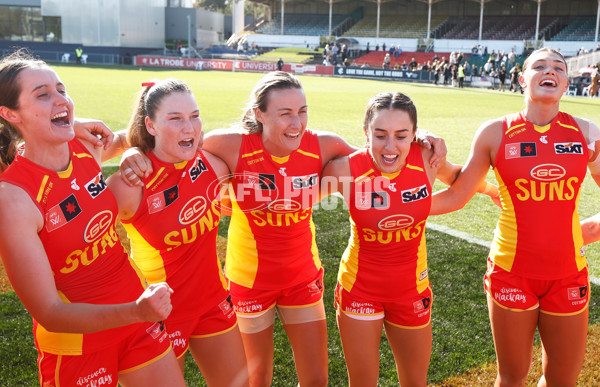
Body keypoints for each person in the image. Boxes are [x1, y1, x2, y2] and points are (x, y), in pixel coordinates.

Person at [120, 71, 447, 386]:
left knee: (317, 379)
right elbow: (171, 147)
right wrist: (133, 150)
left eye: (302, 112)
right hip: (248, 281)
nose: (297, 122)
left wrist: (417, 139)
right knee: (256, 380)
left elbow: (382, 156)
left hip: (301, 279)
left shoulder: (323, 146)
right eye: (285, 113)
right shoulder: (230, 145)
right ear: (259, 114)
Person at [0, 51, 185, 386]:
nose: (61, 100)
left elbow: (134, 139)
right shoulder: (13, 199)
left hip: (137, 319)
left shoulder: (84, 145)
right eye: (43, 95)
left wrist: (130, 153)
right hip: (78, 344)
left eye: (61, 90)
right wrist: (136, 310)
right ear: (10, 113)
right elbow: (50, 312)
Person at [429, 48, 600, 387]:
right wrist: (399, 206)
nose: (549, 71)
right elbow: (460, 193)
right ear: (522, 79)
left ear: (566, 82)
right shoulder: (495, 132)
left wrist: (586, 231)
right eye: (539, 66)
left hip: (568, 276)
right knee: (511, 378)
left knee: (562, 381)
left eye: (558, 68)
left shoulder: (587, 133)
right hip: (511, 273)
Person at [322, 91, 499, 386]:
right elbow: (299, 196)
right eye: (380, 135)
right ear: (365, 134)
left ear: (415, 135)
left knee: (415, 382)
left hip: (412, 291)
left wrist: (491, 190)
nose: (390, 146)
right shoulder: (344, 170)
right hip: (359, 289)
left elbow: (458, 183)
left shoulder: (428, 156)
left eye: (401, 136)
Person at [106, 79, 249, 386]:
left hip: (213, 303)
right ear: (151, 125)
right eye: (175, 119)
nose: (190, 128)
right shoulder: (130, 184)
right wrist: (128, 149)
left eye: (194, 116)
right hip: (159, 314)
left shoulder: (213, 163)